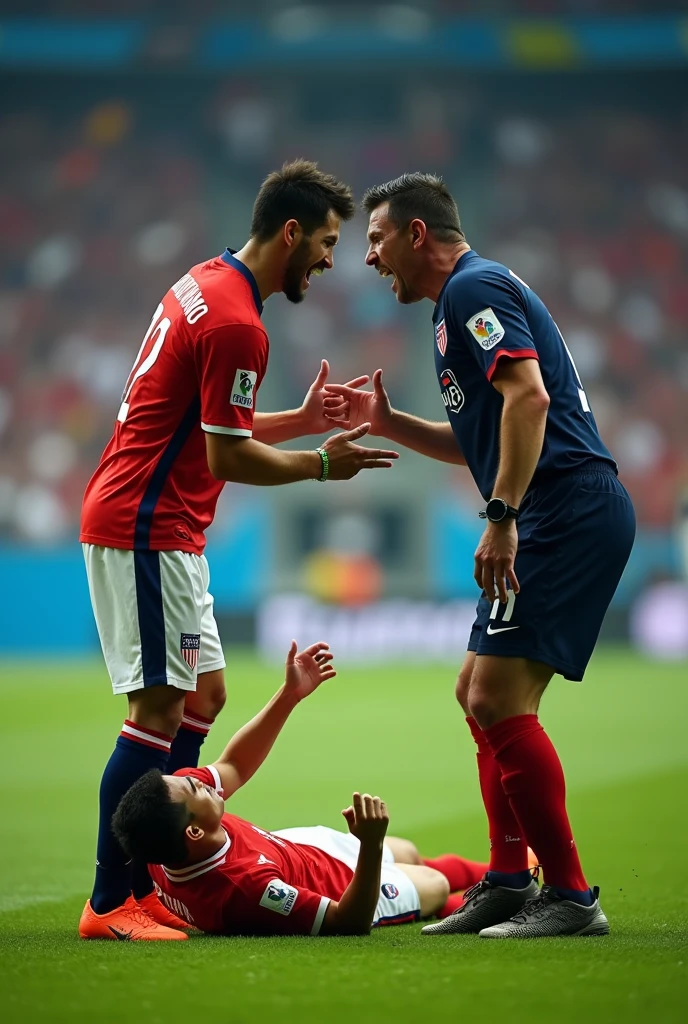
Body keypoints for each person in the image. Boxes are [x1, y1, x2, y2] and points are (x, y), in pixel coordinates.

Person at [78, 160, 399, 941]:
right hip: (144, 525)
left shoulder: (205, 284)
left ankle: (157, 876)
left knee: (204, 699)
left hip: (170, 526)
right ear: (290, 232)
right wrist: (324, 463)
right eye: (325, 241)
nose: (331, 258)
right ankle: (112, 900)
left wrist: (294, 420)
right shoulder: (237, 323)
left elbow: (209, 422)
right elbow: (227, 458)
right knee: (157, 711)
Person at [322, 173, 636, 939]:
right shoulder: (452, 308)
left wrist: (503, 516)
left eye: (376, 239)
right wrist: (391, 423)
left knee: (497, 699)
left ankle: (569, 896)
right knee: (476, 692)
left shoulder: (473, 288)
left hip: (563, 508)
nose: (368, 258)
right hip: (552, 506)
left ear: (417, 235)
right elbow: (486, 437)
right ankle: (504, 879)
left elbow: (527, 399)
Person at [110, 640, 491, 939]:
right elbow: (346, 922)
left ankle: (504, 875)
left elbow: (234, 766)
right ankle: (487, 900)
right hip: (337, 888)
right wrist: (371, 844)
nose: (200, 778)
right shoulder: (246, 889)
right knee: (435, 885)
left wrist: (289, 695)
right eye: (194, 787)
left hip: (297, 849)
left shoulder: (165, 842)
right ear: (193, 830)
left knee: (407, 851)